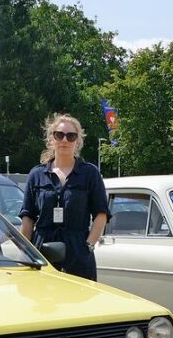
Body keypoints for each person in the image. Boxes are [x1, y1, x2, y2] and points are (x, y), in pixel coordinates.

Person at [19, 113, 109, 280]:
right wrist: (26, 253)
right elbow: (28, 217)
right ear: (51, 139)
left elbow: (101, 214)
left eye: (71, 136)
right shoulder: (37, 174)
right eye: (59, 135)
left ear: (77, 141)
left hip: (78, 251)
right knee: (43, 302)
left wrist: (88, 246)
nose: (65, 140)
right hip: (42, 251)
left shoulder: (89, 173)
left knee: (80, 303)